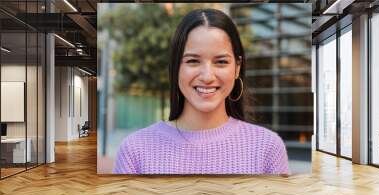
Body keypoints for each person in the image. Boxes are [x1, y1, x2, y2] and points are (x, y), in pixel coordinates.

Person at [113, 8, 290, 175]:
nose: (207, 76)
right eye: (193, 61)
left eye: (221, 62)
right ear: (176, 67)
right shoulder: (135, 150)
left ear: (237, 67)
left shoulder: (268, 147)